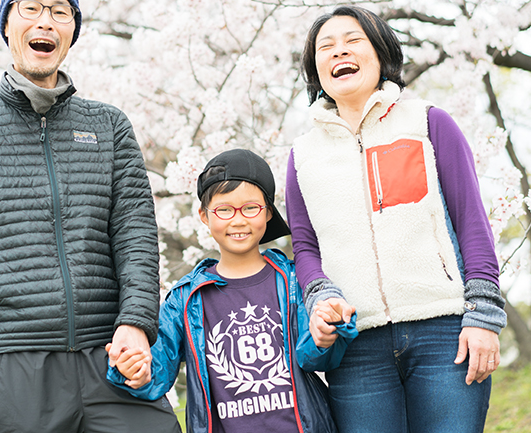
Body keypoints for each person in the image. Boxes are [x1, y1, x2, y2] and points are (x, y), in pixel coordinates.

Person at [0, 0, 180, 433]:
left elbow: (137, 237)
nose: (46, 21)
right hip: (15, 362)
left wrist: (137, 324)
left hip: (111, 355)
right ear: (7, 24)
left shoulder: (109, 126)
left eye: (60, 12)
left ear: (72, 32)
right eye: (32, 9)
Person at [286, 6, 508, 433]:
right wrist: (320, 295)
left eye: (353, 41)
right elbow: (305, 246)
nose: (339, 52)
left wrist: (483, 316)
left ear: (381, 52)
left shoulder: (429, 123)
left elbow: (472, 224)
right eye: (325, 47)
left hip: (444, 332)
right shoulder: (301, 155)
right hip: (356, 346)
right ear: (315, 69)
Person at [105, 149, 358, 433]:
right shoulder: (186, 299)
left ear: (268, 212)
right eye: (224, 210)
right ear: (204, 215)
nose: (238, 220)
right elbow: (157, 374)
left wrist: (325, 336)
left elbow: (313, 358)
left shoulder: (292, 279)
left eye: (250, 208)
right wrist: (134, 369)